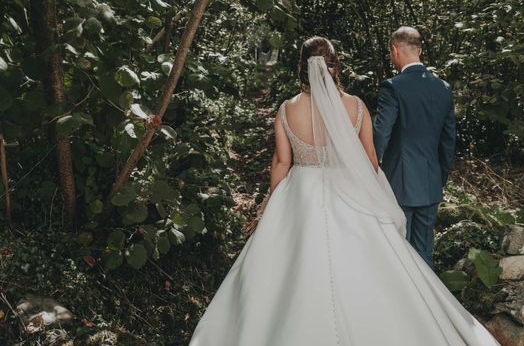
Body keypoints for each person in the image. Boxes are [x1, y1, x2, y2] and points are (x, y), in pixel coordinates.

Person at [189, 37, 498, 346]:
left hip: (299, 194)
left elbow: (282, 162)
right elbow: (371, 161)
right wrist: (375, 196)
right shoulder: (355, 106)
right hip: (349, 190)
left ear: (302, 68)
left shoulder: (287, 109)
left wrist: (269, 204)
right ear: (335, 65)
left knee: (285, 269)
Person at [373, 26, 456, 268]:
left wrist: (372, 169)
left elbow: (381, 133)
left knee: (399, 252)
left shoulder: (392, 87)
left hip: (398, 181)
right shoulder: (443, 88)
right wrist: (440, 176)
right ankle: (429, 304)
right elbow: (448, 139)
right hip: (430, 182)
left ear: (394, 50)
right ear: (419, 50)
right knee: (424, 254)